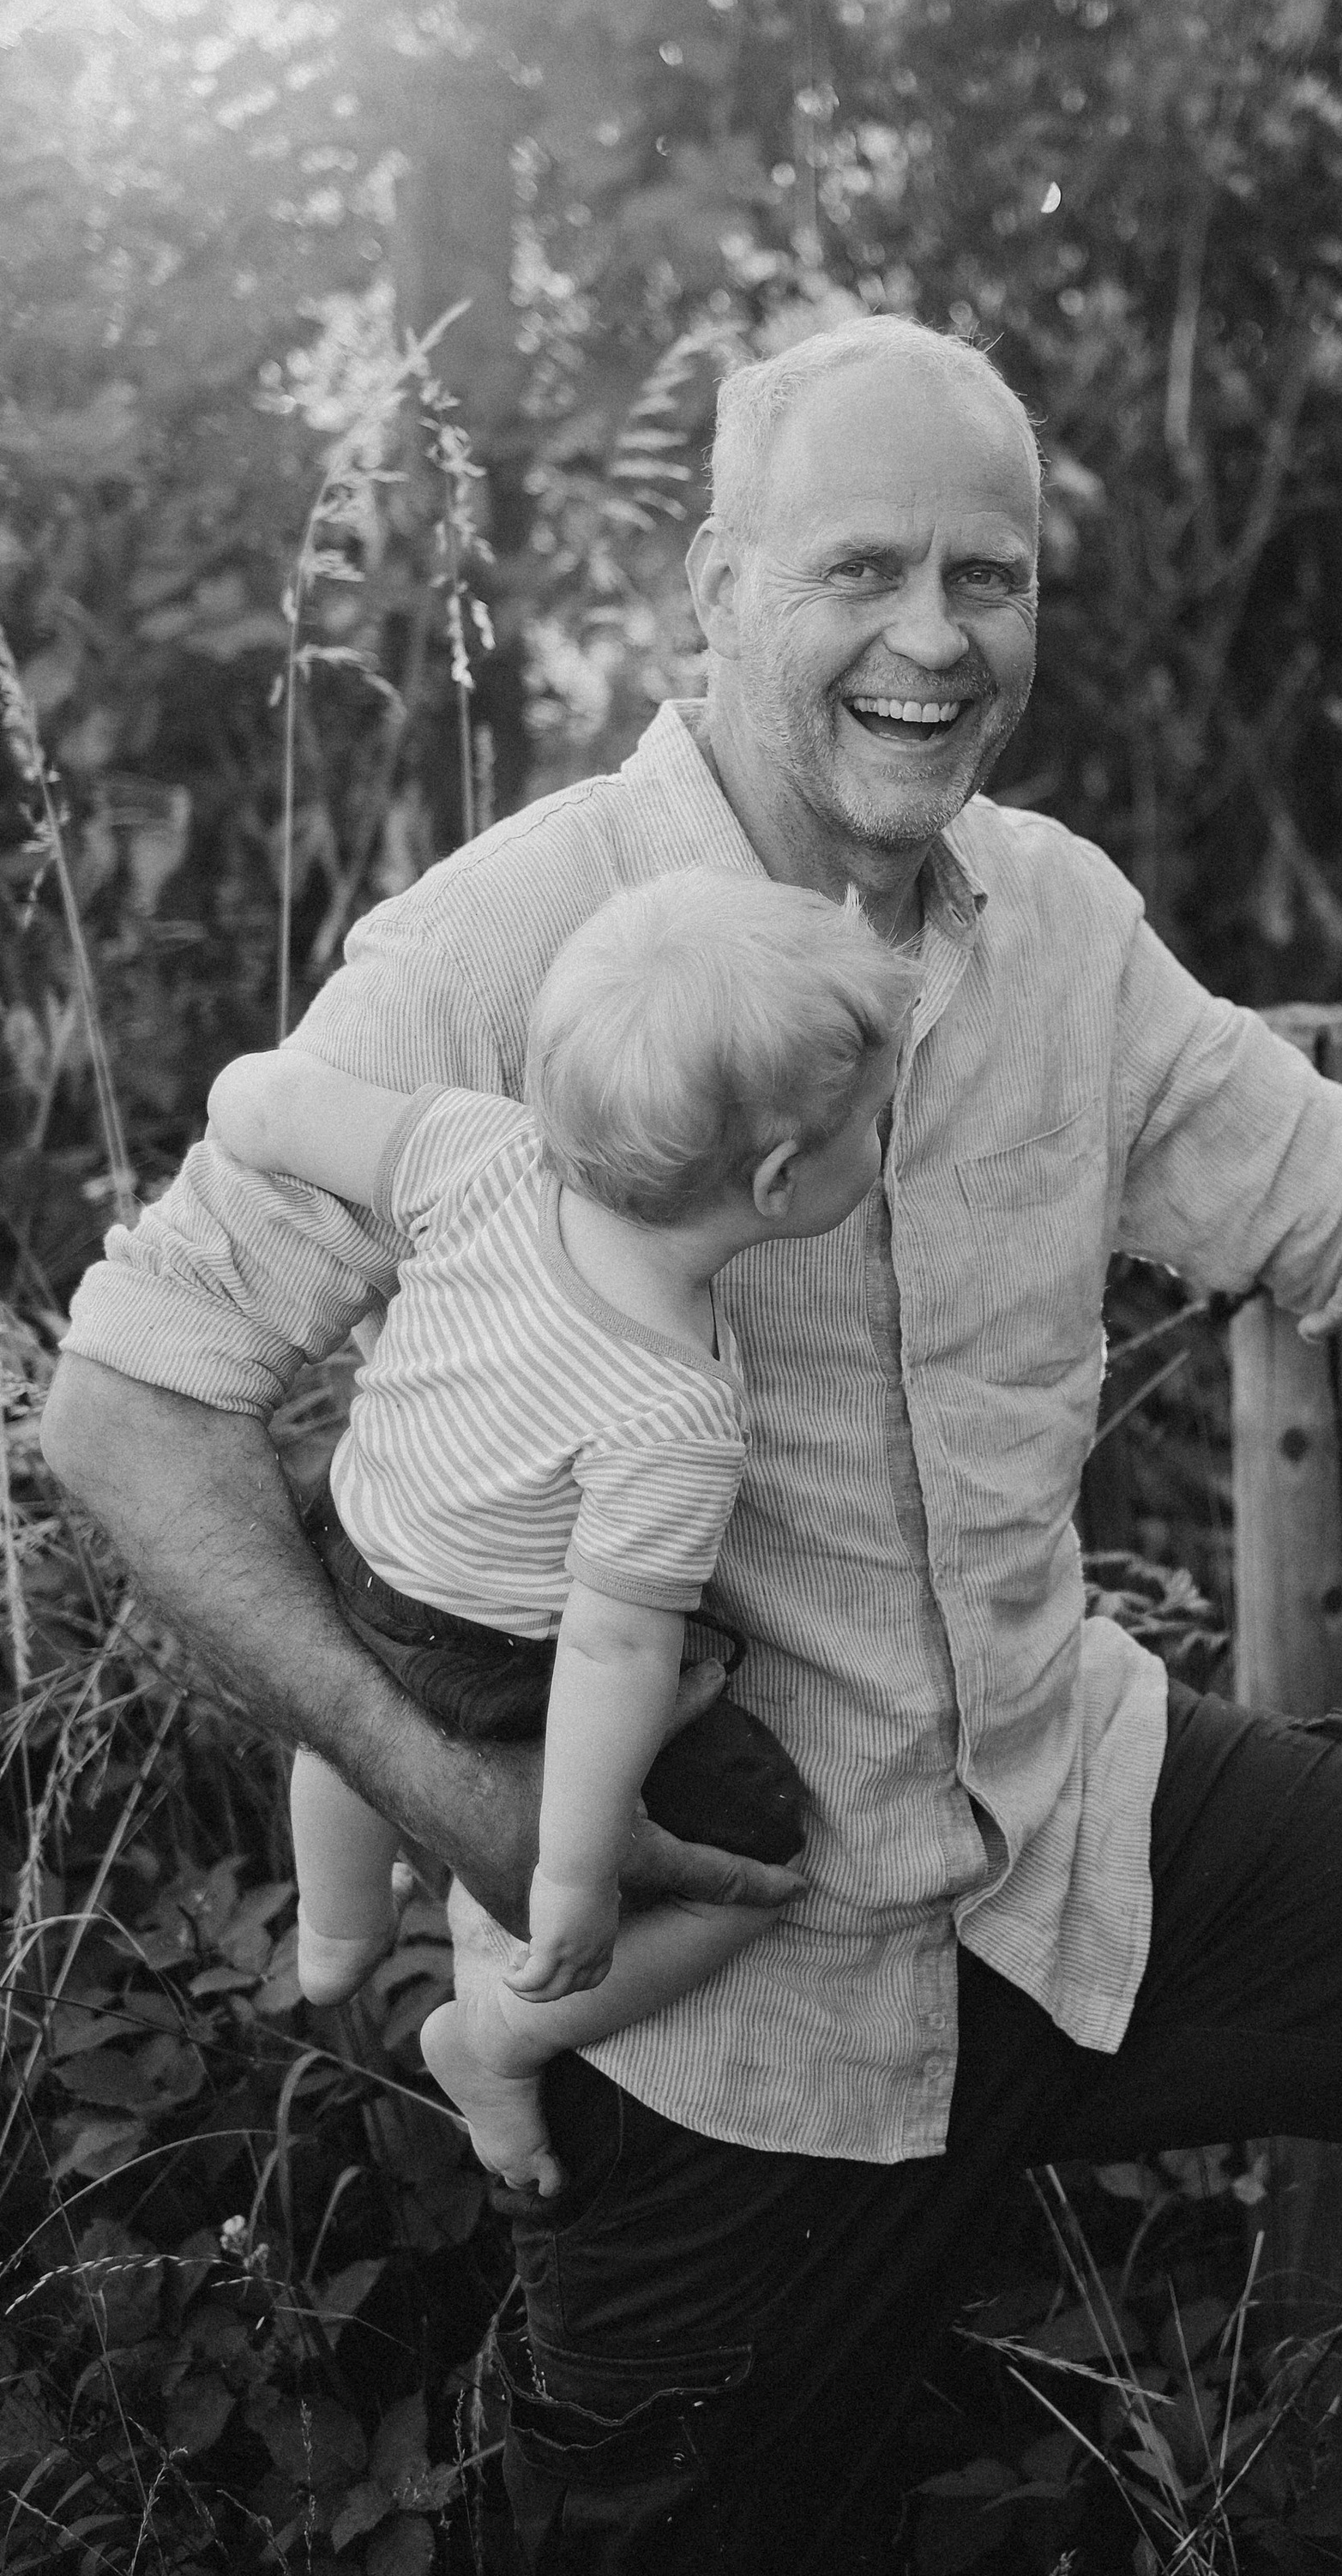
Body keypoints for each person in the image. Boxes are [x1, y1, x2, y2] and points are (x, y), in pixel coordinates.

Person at [42, 315, 1342, 2576]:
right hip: (727, 2004)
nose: (939, 639)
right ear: (713, 593)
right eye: (864, 571)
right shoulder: (516, 944)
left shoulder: (1057, 934)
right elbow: (129, 1400)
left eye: (996, 577)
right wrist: (442, 1780)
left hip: (1077, 1847)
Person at [202, 864, 914, 2194]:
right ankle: (495, 2041)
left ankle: (336, 1933)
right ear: (774, 1183)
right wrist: (576, 1876)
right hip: (490, 1646)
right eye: (875, 1120)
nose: (886, 1134)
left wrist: (239, 1093)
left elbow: (278, 1108)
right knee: (750, 1862)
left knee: (346, 1717)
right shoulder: (670, 1410)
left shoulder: (477, 1149)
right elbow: (609, 1653)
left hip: (356, 1537)